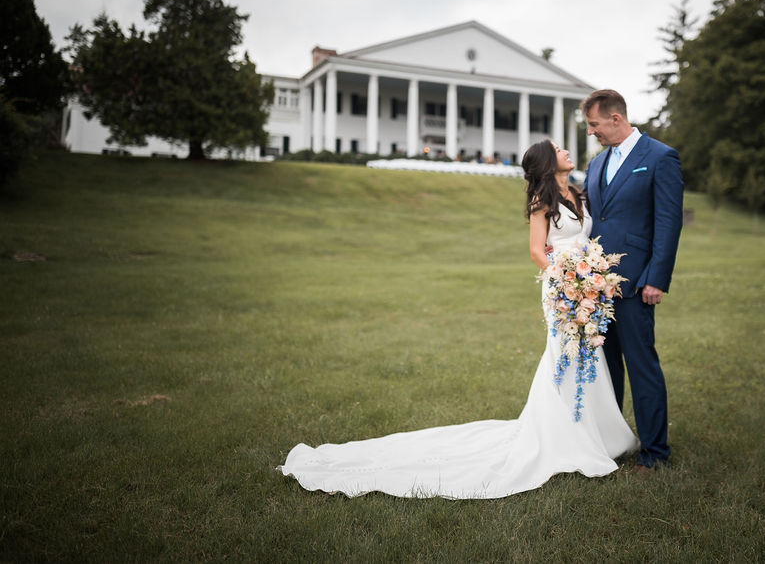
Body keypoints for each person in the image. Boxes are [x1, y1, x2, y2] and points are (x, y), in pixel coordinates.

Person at [278, 140, 638, 499]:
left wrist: (590, 277)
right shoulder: (541, 201)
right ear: (547, 162)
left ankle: (595, 432)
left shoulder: (579, 193)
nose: (565, 151)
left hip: (586, 285)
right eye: (558, 149)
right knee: (565, 355)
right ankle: (564, 437)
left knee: (588, 352)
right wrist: (568, 281)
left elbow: (586, 238)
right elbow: (535, 250)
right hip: (562, 287)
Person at [582, 89, 684, 471]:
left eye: (594, 124)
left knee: (642, 367)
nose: (591, 132)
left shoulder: (659, 157)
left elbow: (668, 223)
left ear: (616, 119)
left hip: (638, 283)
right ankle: (612, 442)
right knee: (605, 371)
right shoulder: (595, 165)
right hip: (594, 289)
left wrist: (656, 278)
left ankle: (655, 453)